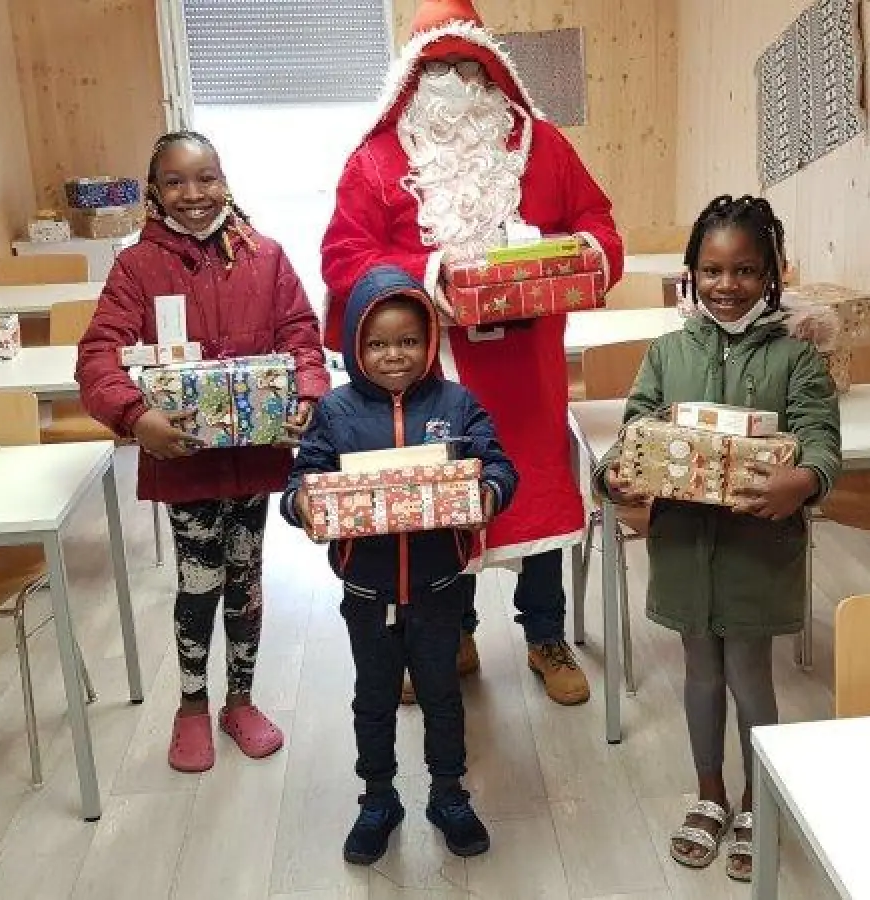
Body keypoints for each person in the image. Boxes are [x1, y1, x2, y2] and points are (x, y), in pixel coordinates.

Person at [320, 0, 624, 705]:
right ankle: (452, 629)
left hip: (528, 369)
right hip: (434, 373)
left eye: (468, 64)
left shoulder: (542, 145)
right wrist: (429, 275)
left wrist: (577, 256)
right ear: (411, 76)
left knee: (537, 488)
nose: (454, 80)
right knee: (445, 497)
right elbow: (347, 254)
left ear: (493, 71)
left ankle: (545, 632)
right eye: (436, 66)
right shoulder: (375, 160)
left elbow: (597, 223)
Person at [595, 195, 842, 882]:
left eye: (745, 270)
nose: (726, 286)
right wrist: (613, 478)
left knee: (750, 677)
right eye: (711, 270)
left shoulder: (798, 360)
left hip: (755, 554)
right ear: (690, 274)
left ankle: (761, 800)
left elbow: (822, 440)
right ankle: (709, 793)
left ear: (772, 274)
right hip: (682, 549)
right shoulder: (667, 352)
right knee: (701, 673)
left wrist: (807, 481)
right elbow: (633, 432)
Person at [75, 131, 331, 773]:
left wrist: (306, 393)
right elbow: (96, 357)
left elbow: (303, 336)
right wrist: (135, 417)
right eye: (177, 182)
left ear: (225, 180)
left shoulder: (266, 257)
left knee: (246, 577)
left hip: (252, 458)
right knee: (198, 579)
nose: (194, 194)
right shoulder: (136, 267)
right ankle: (191, 705)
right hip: (183, 460)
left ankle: (239, 700)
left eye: (206, 177)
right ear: (154, 191)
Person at [281, 266, 518, 864]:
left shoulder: (455, 403)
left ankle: (449, 793)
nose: (394, 355)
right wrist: (302, 503)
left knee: (442, 693)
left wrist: (488, 493)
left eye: (409, 341)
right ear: (356, 346)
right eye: (378, 343)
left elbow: (498, 464)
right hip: (366, 588)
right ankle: (378, 798)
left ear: (430, 341)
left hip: (441, 586)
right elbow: (301, 481)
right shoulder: (334, 414)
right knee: (374, 697)